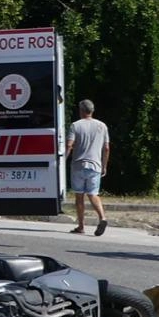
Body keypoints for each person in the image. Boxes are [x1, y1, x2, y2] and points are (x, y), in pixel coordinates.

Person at [65, 99, 111, 236]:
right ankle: (102, 217)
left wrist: (63, 159)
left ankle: (81, 226)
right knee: (93, 194)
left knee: (79, 196)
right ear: (92, 110)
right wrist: (104, 165)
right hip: (95, 165)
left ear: (81, 110)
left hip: (78, 165)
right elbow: (107, 148)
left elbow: (69, 145)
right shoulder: (102, 126)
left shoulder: (75, 125)